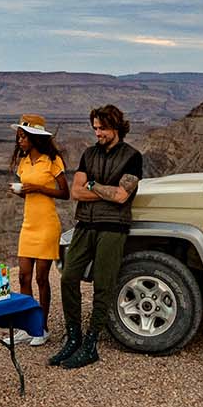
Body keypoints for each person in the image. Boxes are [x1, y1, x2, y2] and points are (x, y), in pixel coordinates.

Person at [52, 104, 144, 370]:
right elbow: (76, 192)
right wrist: (100, 189)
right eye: (95, 128)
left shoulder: (133, 157)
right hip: (85, 225)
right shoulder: (88, 154)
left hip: (113, 228)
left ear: (116, 127)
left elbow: (121, 196)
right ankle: (73, 337)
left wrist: (92, 185)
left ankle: (91, 344)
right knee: (69, 277)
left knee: (103, 284)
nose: (98, 133)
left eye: (102, 128)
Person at [8, 114, 68, 346]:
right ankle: (27, 325)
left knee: (42, 278)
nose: (20, 141)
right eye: (18, 137)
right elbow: (28, 190)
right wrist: (23, 191)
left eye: (23, 136)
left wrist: (39, 188)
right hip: (29, 224)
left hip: (46, 225)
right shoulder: (23, 162)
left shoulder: (52, 160)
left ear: (34, 137)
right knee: (24, 276)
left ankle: (42, 329)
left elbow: (65, 193)